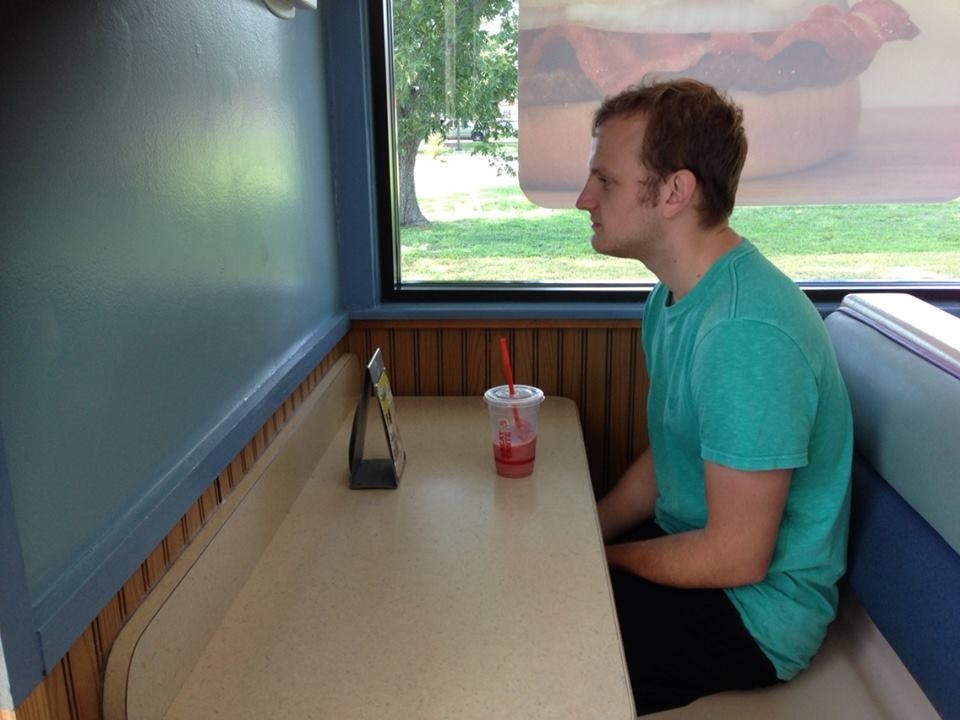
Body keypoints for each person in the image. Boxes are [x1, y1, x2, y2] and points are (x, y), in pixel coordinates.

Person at [575, 78, 853, 715]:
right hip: (700, 557)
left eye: (606, 180)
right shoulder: (672, 298)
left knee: (546, 647)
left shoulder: (744, 332)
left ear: (675, 191)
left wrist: (603, 561)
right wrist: (584, 531)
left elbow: (736, 555)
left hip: (755, 616)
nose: (584, 198)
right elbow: (671, 454)